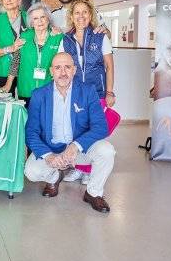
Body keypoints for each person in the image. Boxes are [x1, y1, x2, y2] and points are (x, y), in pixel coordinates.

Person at [25, 52, 116, 213]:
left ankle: (93, 193)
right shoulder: (39, 95)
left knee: (107, 150)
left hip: (79, 150)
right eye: (58, 68)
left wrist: (75, 146)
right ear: (51, 71)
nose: (63, 72)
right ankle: (54, 178)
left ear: (74, 70)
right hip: (51, 148)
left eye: (67, 67)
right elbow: (31, 133)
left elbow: (101, 126)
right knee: (31, 172)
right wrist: (49, 156)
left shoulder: (88, 91)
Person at [2, 2, 64, 105]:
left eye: (43, 17)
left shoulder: (58, 37)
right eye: (35, 18)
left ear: (48, 18)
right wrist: (8, 84)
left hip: (49, 90)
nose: (39, 21)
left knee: (47, 119)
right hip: (26, 90)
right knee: (28, 119)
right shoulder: (24, 37)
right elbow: (15, 62)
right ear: (31, 22)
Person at [61, 0, 115, 106]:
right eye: (77, 12)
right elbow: (61, 67)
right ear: (71, 17)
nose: (81, 16)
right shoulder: (65, 39)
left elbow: (109, 67)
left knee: (96, 122)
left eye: (85, 12)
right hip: (74, 93)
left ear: (90, 15)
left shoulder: (101, 37)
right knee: (77, 123)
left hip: (98, 93)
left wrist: (109, 92)